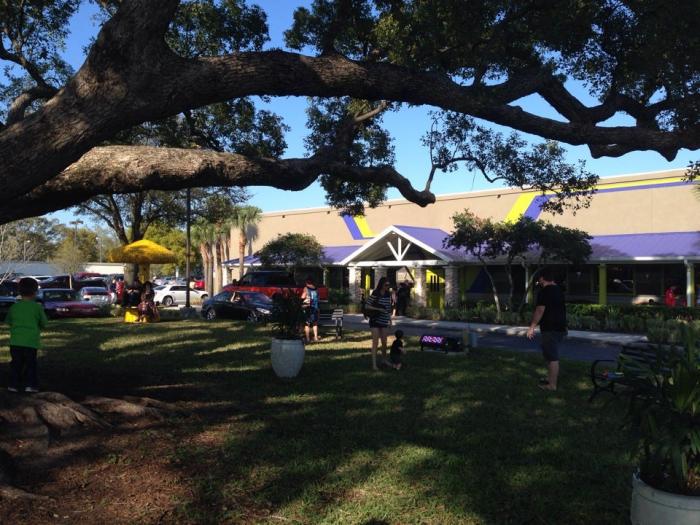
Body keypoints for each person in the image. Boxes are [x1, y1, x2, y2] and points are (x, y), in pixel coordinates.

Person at [5, 278, 48, 393]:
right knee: (31, 364)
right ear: (35, 292)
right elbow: (44, 323)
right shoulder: (37, 307)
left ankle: (13, 385)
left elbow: (8, 321)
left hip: (15, 342)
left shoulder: (14, 307)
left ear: (19, 291)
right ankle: (31, 385)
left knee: (16, 364)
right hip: (31, 342)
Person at [527, 267, 566, 391]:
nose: (539, 281)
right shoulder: (559, 290)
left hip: (550, 328)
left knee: (552, 357)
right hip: (560, 328)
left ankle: (552, 385)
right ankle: (550, 378)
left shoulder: (545, 291)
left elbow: (540, 310)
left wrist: (532, 327)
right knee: (549, 355)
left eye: (539, 279)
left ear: (542, 278)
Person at [367, 277, 393, 370]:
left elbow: (388, 308)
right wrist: (378, 309)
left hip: (384, 320)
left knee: (384, 342)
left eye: (388, 285)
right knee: (375, 342)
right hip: (375, 320)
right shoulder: (375, 293)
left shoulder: (388, 294)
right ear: (381, 284)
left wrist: (390, 320)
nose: (387, 286)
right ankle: (374, 365)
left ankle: (384, 360)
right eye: (386, 285)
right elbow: (367, 305)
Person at [301, 276, 320, 342]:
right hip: (316, 308)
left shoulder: (306, 289)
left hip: (308, 308)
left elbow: (302, 297)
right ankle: (316, 337)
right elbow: (318, 298)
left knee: (307, 324)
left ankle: (308, 338)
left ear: (307, 282)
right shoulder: (316, 289)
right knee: (315, 323)